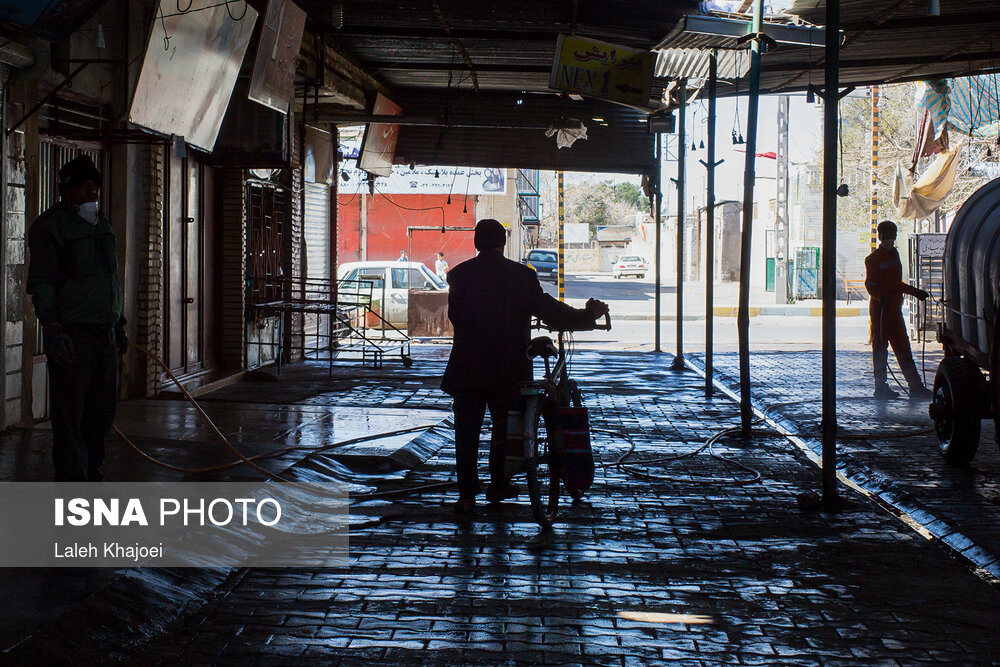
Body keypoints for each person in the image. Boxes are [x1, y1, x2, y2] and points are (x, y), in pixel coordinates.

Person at [441, 219, 609, 516]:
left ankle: (467, 497)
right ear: (502, 243)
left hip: (466, 367)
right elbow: (551, 313)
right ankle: (498, 485)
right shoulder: (521, 276)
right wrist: (587, 316)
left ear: (476, 243)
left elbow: (457, 319)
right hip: (507, 370)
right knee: (504, 430)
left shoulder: (459, 275)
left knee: (466, 433)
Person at [26, 155, 127, 481]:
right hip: (74, 335)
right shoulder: (50, 227)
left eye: (94, 184)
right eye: (83, 186)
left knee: (101, 414)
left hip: (105, 334)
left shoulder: (102, 224)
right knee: (70, 416)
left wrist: (118, 323)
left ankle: (92, 476)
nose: (91, 192)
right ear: (66, 191)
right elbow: (42, 283)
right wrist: (53, 329)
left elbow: (108, 279)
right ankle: (72, 485)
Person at [864, 220, 931, 401]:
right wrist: (880, 297)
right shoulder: (872, 259)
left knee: (903, 348)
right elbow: (870, 284)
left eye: (892, 237)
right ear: (880, 237)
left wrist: (915, 292)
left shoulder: (895, 256)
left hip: (894, 311)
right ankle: (881, 387)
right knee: (880, 351)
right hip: (880, 312)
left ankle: (916, 386)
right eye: (886, 237)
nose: (889, 241)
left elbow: (896, 284)